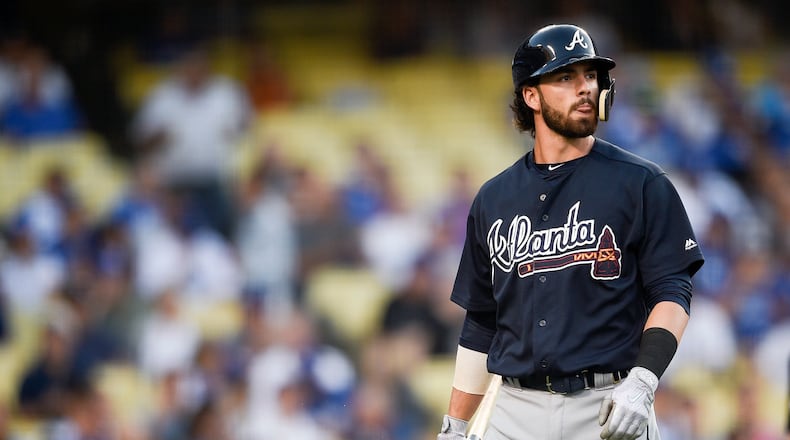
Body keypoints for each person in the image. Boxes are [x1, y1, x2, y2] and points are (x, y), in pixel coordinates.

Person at [437, 24, 704, 440]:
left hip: (609, 403)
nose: (585, 88)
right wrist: (454, 424)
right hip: (513, 409)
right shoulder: (493, 199)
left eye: (591, 76)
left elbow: (673, 291)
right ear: (531, 95)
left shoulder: (642, 183)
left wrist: (644, 380)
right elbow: (481, 323)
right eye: (566, 77)